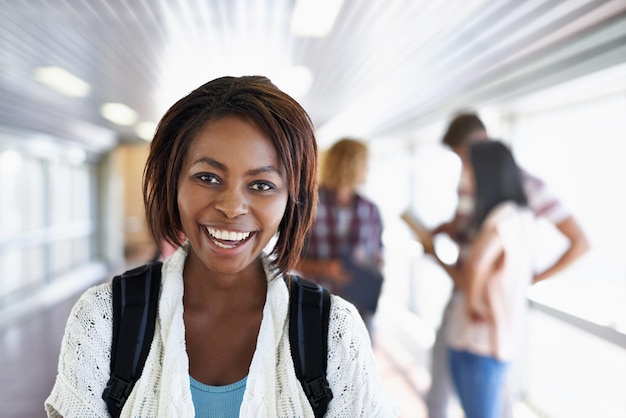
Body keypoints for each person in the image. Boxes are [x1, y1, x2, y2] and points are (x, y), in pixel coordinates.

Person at [45, 76, 398, 417]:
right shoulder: (104, 319)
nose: (232, 207)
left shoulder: (335, 332)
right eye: (208, 177)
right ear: (173, 184)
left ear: (292, 199)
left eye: (261, 184)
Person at [424, 112, 590, 418]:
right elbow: (471, 243)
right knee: (451, 396)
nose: (465, 165)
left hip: (484, 321)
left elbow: (475, 266)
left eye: (467, 156)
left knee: (488, 404)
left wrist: (526, 280)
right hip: (476, 312)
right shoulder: (503, 207)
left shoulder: (514, 207)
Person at [425, 140, 535, 418]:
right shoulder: (521, 215)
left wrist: (473, 303)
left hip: (478, 339)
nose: (467, 178)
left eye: (470, 170)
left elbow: (474, 266)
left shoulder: (501, 218)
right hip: (494, 338)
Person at [296, 138, 384, 335]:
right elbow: (289, 259)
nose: (367, 169)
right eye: (364, 163)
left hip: (360, 308)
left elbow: (378, 255)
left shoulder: (370, 210)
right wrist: (325, 268)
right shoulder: (308, 205)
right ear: (352, 165)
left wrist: (372, 268)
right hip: (318, 307)